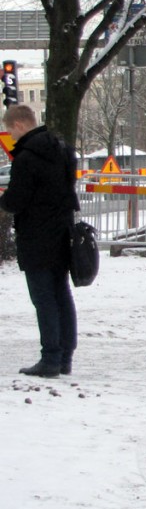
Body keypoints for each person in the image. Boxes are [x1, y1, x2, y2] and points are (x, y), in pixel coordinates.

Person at [0, 105, 80, 377]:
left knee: (44, 298)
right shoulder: (62, 149)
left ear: (20, 125)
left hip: (35, 236)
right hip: (62, 232)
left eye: (10, 130)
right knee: (61, 294)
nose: (10, 136)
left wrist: (3, 198)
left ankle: (50, 359)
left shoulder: (26, 157)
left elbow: (16, 201)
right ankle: (65, 356)